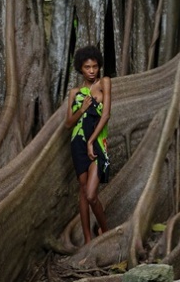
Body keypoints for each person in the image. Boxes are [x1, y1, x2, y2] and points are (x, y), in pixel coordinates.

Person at [65, 45, 111, 244]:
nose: (92, 71)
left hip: (97, 143)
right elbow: (68, 123)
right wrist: (82, 109)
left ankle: (106, 232)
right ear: (80, 69)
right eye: (87, 67)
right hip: (77, 143)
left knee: (92, 194)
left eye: (94, 67)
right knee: (83, 192)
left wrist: (92, 141)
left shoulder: (104, 83)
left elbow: (106, 114)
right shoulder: (74, 93)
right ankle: (88, 240)